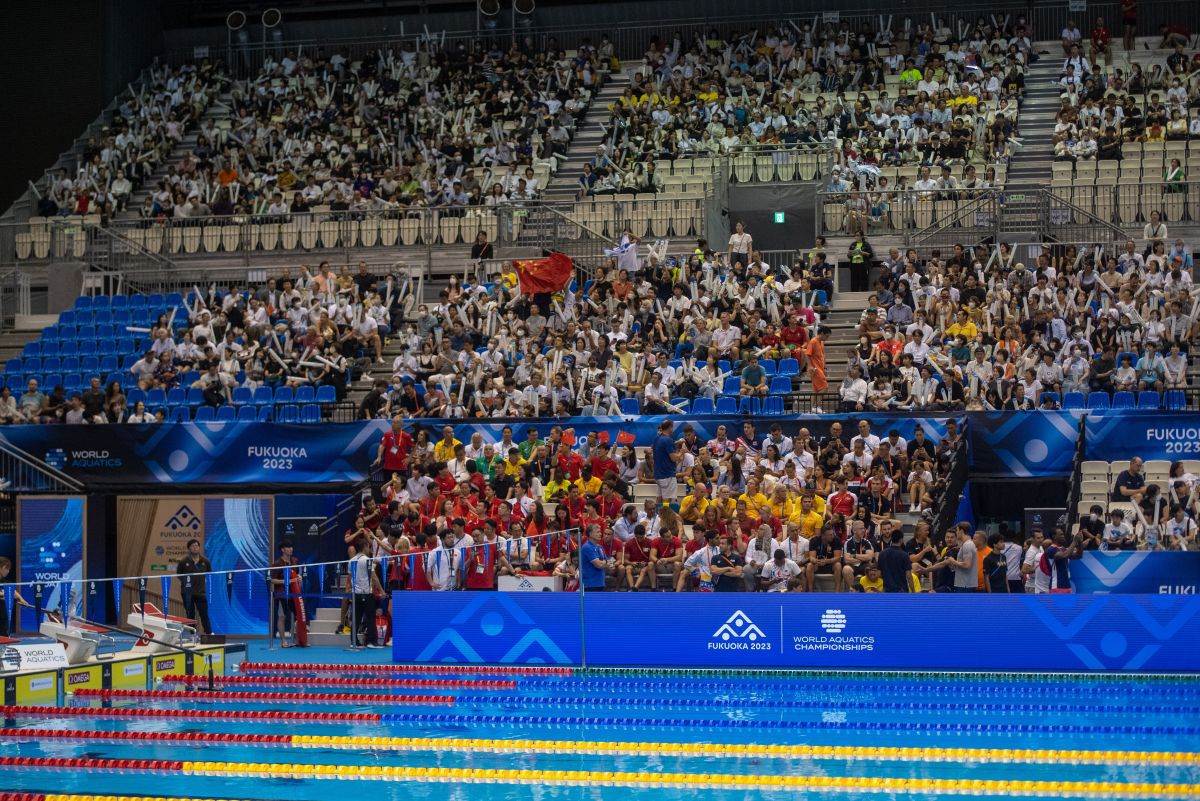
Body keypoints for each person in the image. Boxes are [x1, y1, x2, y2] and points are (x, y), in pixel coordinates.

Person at [348, 538, 383, 648]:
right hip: (366, 593)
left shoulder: (351, 560)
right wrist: (382, 591)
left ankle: (354, 641)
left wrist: (349, 589)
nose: (369, 549)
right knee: (370, 617)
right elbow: (374, 578)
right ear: (364, 547)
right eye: (368, 546)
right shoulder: (367, 560)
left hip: (355, 593)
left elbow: (349, 578)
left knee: (356, 618)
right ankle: (371, 641)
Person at [176, 538, 213, 635]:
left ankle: (209, 633)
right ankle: (192, 635)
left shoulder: (205, 561)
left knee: (204, 614)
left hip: (201, 593)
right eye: (192, 546)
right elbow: (179, 575)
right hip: (187, 594)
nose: (195, 547)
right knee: (190, 615)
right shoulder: (184, 561)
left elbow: (209, 573)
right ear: (189, 548)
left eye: (197, 545)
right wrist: (187, 583)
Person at [269, 540, 301, 646]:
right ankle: (283, 640)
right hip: (282, 594)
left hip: (295, 594)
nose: (291, 549)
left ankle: (296, 639)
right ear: (283, 549)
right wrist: (286, 581)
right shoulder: (277, 564)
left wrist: (299, 577)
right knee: (282, 617)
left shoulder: (295, 561)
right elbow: (272, 580)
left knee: (299, 616)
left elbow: (297, 574)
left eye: (291, 547)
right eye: (288, 547)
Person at [0, 556, 31, 637]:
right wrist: (5, 594)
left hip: (4, 618)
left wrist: (21, 599)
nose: (8, 571)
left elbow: (13, 591)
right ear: (1, 568)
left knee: (4, 636)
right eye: (6, 568)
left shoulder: (5, 582)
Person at [652, 420, 681, 503]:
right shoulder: (668, 440)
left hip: (658, 474)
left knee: (659, 497)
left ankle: (657, 514)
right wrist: (681, 452)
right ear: (670, 428)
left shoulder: (657, 439)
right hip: (667, 474)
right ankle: (665, 516)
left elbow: (663, 448)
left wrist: (675, 443)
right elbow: (674, 458)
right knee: (667, 499)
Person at [580, 524, 610, 592]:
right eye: (598, 532)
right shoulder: (587, 547)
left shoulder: (600, 547)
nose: (600, 534)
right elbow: (598, 565)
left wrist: (603, 562)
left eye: (600, 532)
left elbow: (608, 562)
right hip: (590, 585)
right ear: (590, 534)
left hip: (600, 583)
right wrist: (603, 562)